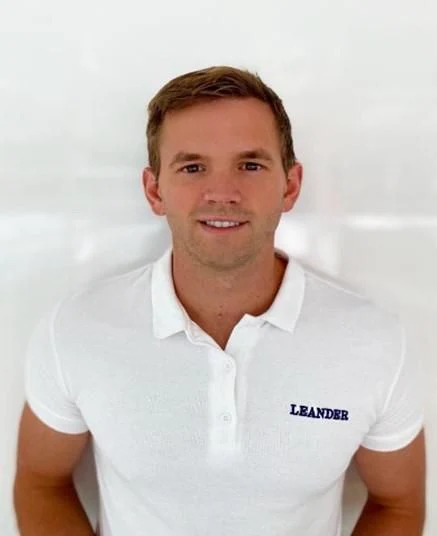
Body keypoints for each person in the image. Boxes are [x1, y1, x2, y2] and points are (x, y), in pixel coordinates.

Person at [14, 65, 426, 536]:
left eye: (250, 165)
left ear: (290, 186)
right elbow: (41, 483)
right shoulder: (76, 329)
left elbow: (397, 504)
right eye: (192, 167)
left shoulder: (375, 342)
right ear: (154, 190)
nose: (223, 193)